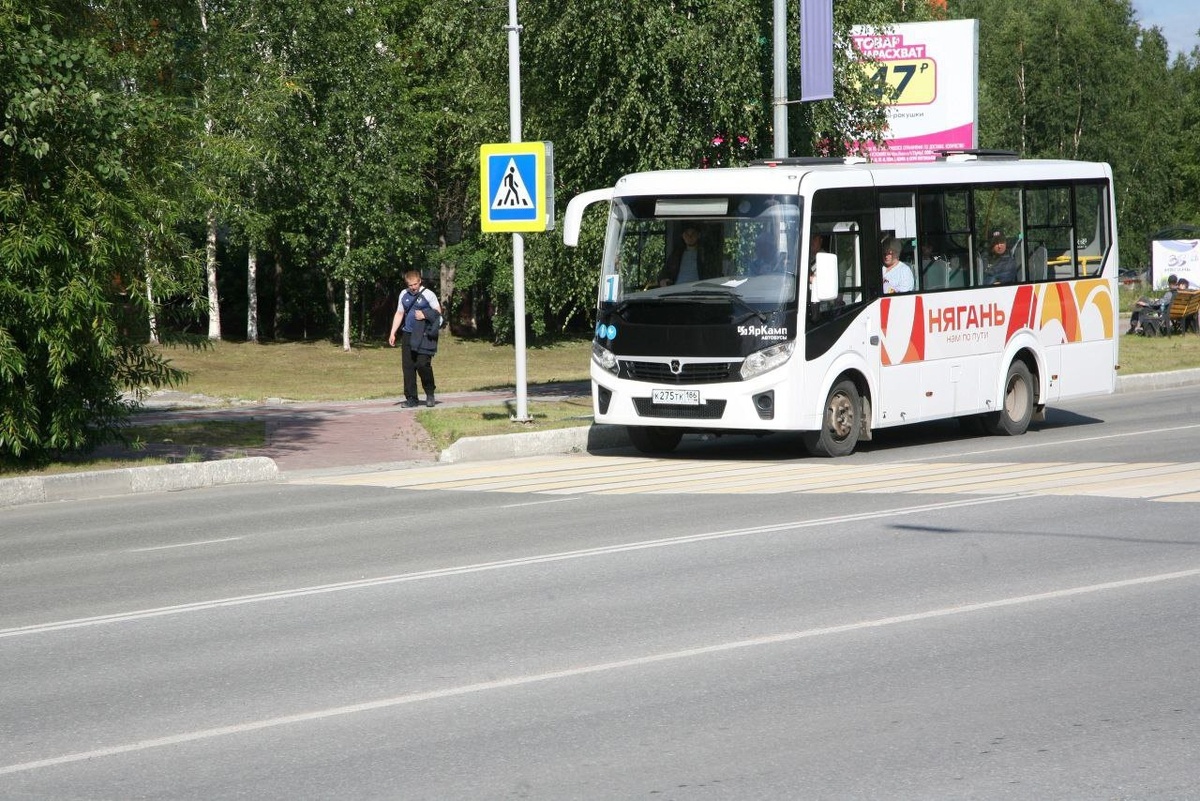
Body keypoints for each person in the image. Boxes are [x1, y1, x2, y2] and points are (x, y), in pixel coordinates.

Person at [388, 269, 442, 407]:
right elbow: (399, 313)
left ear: (420, 281)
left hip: (424, 336)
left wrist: (424, 315)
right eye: (410, 285)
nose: (413, 287)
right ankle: (412, 398)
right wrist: (393, 332)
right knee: (408, 367)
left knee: (423, 364)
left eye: (415, 284)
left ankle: (430, 393)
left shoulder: (429, 295)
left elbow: (438, 313)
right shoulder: (403, 294)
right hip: (408, 334)